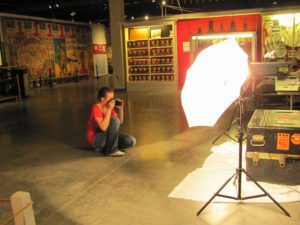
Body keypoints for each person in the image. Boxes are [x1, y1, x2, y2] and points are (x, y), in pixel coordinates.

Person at [87, 87, 136, 157]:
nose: (111, 101)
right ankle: (111, 150)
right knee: (114, 120)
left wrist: (121, 110)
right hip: (96, 139)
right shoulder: (95, 108)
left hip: (106, 136)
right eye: (110, 99)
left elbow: (120, 122)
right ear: (102, 99)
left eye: (112, 99)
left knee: (131, 141)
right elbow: (103, 128)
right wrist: (109, 109)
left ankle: (106, 147)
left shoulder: (108, 107)